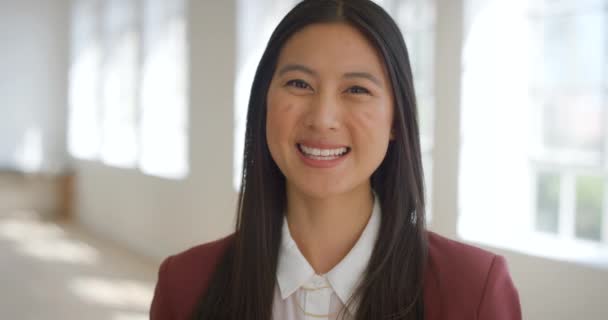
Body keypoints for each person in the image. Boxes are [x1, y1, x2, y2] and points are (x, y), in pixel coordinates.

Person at [150, 0, 522, 319]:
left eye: (356, 89)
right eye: (299, 83)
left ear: (397, 119)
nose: (322, 118)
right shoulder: (184, 284)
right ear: (264, 102)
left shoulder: (475, 291)